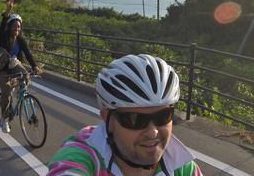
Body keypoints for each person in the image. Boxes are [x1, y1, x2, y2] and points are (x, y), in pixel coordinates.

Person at [47, 54, 203, 176]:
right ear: (107, 118)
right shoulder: (82, 155)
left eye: (163, 116)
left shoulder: (182, 167)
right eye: (134, 119)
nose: (152, 132)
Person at [0, 0, 42, 133]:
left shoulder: (20, 40)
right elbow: (2, 25)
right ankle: (4, 119)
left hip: (15, 68)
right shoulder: (4, 37)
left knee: (26, 77)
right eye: (15, 26)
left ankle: (23, 96)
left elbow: (28, 54)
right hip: (3, 70)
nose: (17, 28)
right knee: (7, 94)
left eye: (19, 26)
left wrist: (35, 66)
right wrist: (7, 11)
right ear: (10, 27)